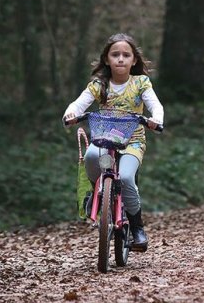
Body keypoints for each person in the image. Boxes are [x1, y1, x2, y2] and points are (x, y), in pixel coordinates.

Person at [63, 33, 164, 252]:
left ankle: (137, 229)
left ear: (134, 60)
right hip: (104, 138)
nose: (120, 59)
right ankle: (95, 192)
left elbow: (155, 105)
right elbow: (79, 104)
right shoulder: (99, 85)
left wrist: (156, 119)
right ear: (107, 59)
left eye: (126, 55)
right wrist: (71, 114)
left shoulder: (140, 83)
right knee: (90, 156)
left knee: (127, 178)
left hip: (132, 141)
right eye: (115, 54)